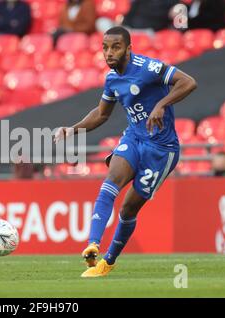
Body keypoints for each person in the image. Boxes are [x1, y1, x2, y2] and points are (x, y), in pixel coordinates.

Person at [54, 26, 197, 277]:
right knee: (111, 182)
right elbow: (101, 114)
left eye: (116, 47)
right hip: (134, 137)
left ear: (129, 49)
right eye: (105, 48)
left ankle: (108, 261)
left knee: (128, 209)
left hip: (161, 150)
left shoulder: (148, 68)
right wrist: (72, 129)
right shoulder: (112, 79)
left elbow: (189, 82)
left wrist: (162, 105)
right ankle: (93, 244)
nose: (109, 53)